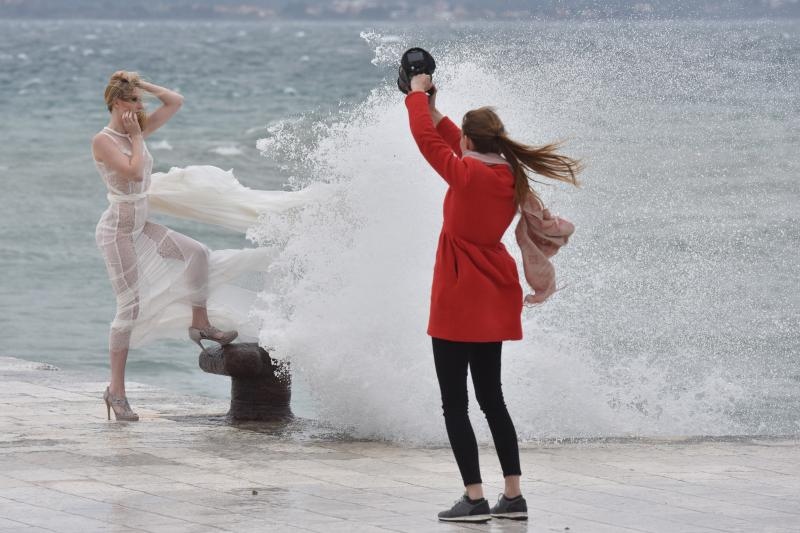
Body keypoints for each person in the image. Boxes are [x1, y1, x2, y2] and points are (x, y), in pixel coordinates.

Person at [405, 73, 581, 523]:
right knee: (492, 399)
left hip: (458, 294)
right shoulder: (510, 175)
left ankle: (474, 499)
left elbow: (428, 142)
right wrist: (431, 103)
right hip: (494, 293)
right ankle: (514, 496)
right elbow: (449, 138)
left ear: (468, 141)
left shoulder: (465, 173)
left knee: (454, 404)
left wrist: (415, 97)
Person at [92, 71, 239, 421]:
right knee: (128, 309)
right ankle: (116, 392)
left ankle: (200, 324)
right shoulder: (104, 139)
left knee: (197, 253)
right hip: (117, 231)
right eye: (134, 101)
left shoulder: (135, 129)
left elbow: (175, 100)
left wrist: (140, 84)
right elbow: (131, 171)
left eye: (140, 101)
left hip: (140, 225)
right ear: (116, 103)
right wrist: (136, 137)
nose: (141, 107)